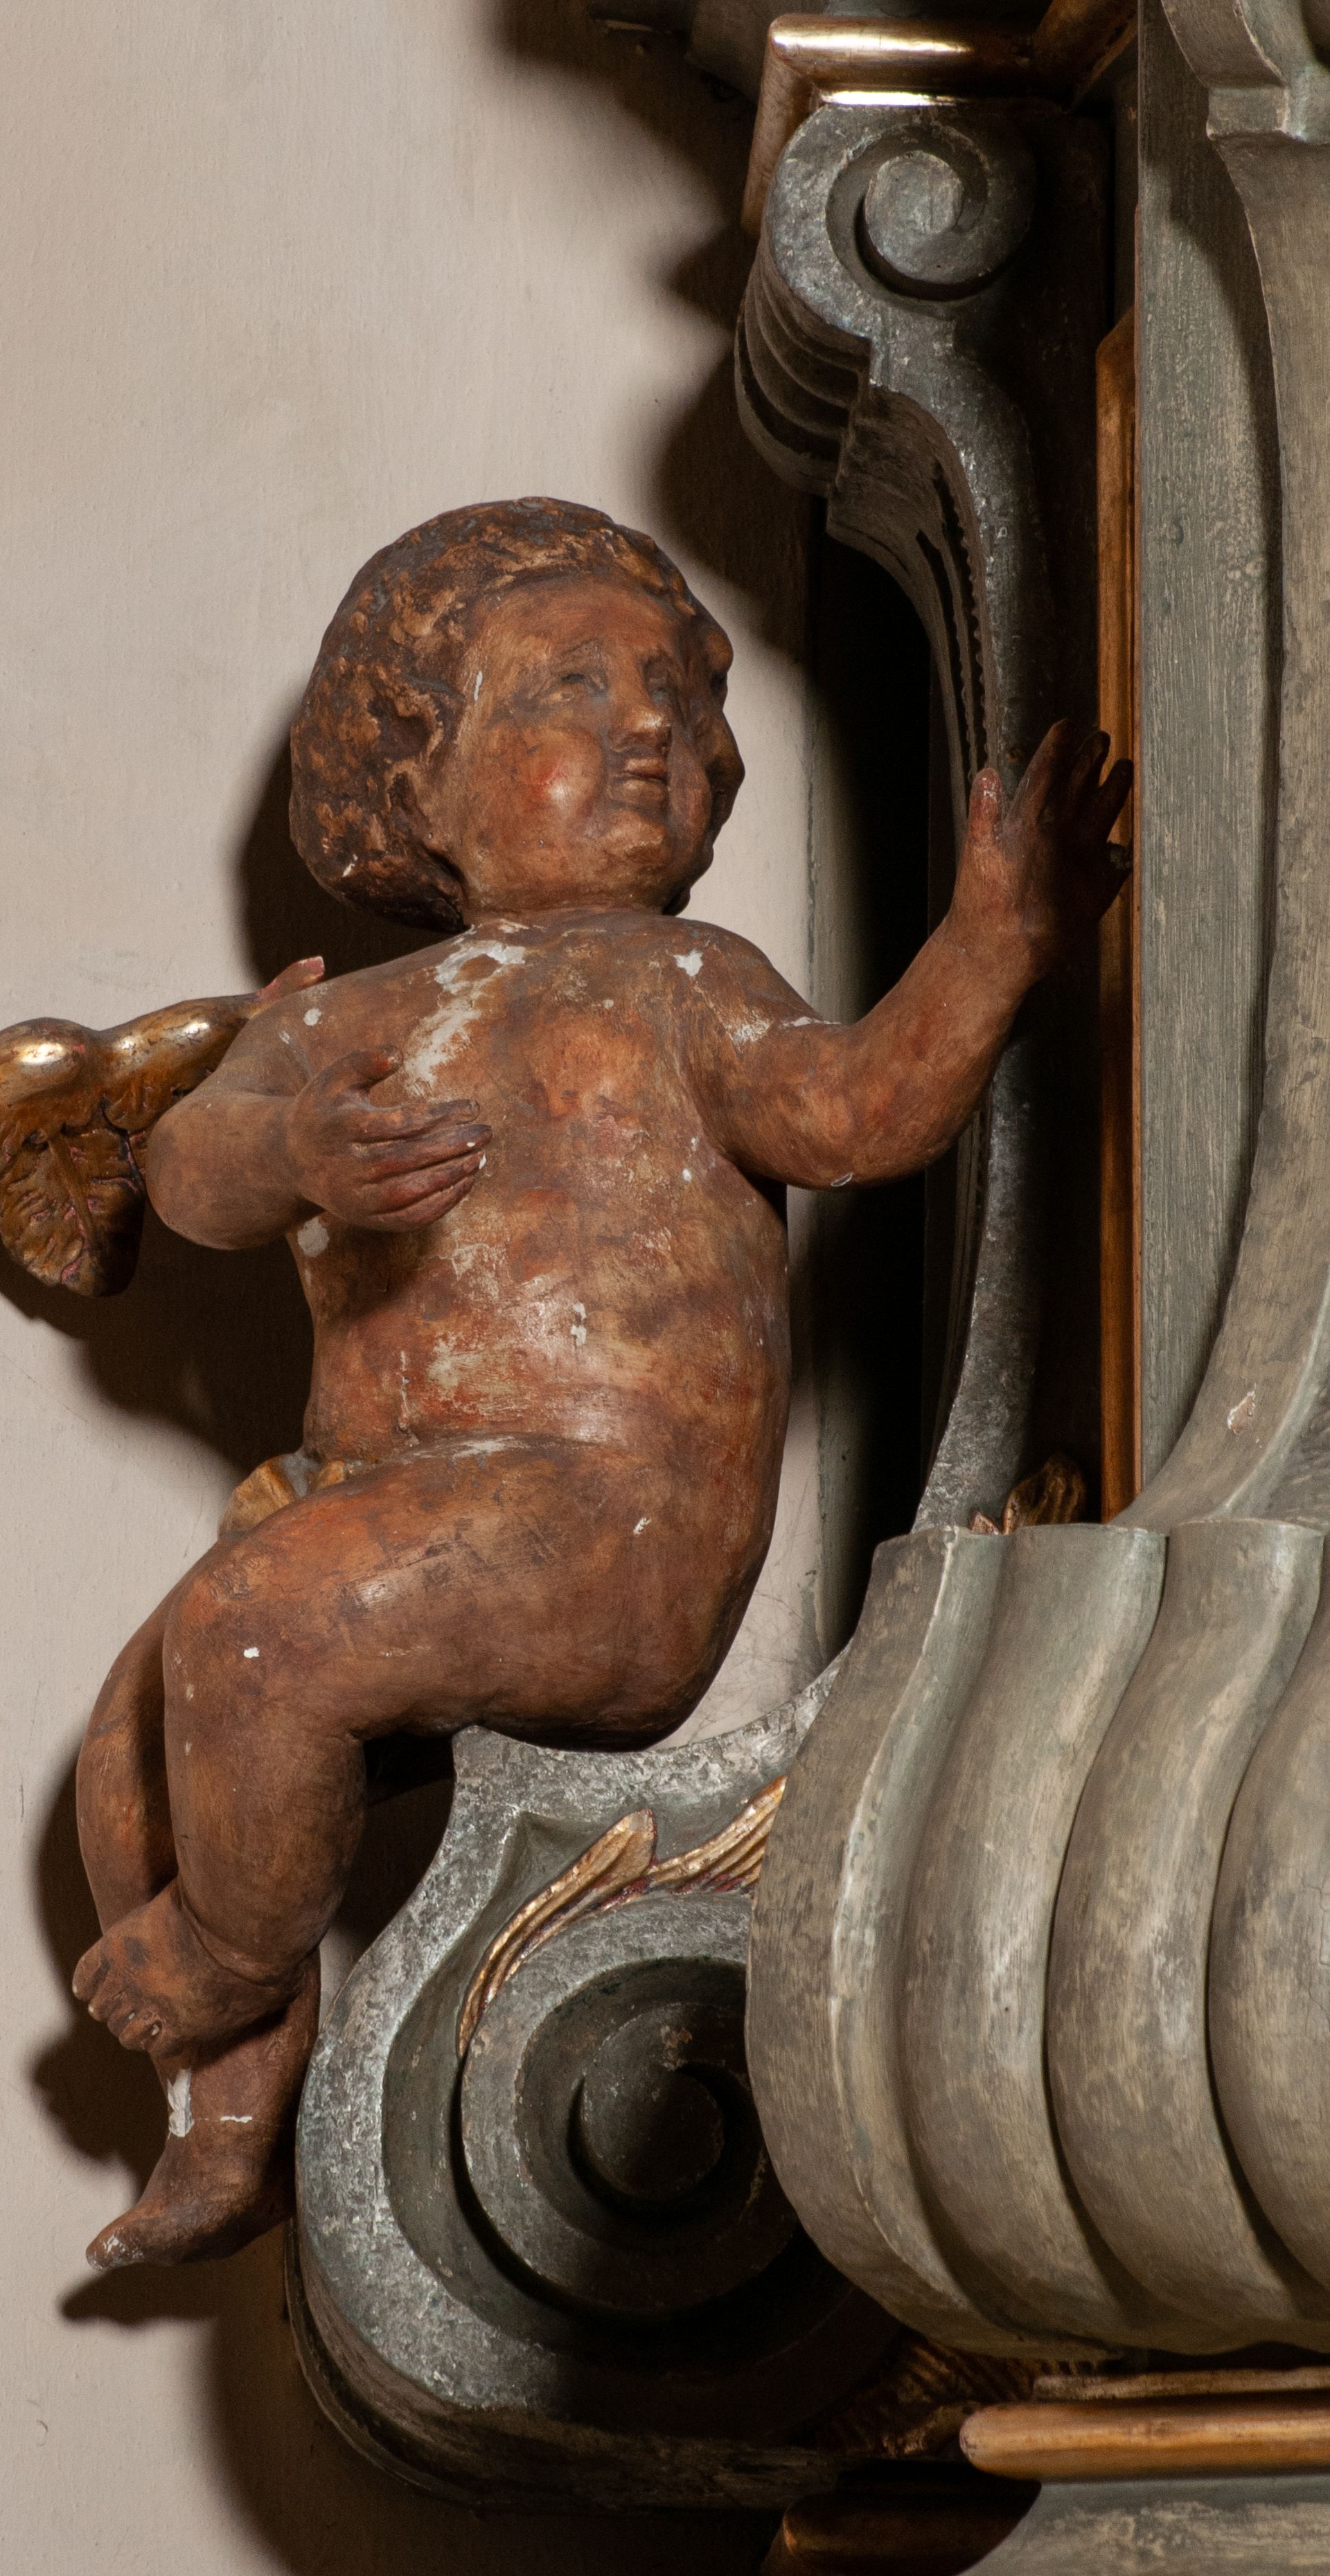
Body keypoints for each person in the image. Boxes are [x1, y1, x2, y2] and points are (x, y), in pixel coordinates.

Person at [70, 497, 1130, 2267]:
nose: (649, 727)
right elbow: (187, 1170)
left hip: (605, 1520)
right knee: (135, 1749)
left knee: (252, 1637)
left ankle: (225, 1959)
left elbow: (858, 1113)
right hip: (377, 1514)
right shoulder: (334, 1024)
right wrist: (297, 1153)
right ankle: (230, 2114)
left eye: (676, 699)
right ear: (418, 776)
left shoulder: (681, 982)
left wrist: (995, 939)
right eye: (571, 686)